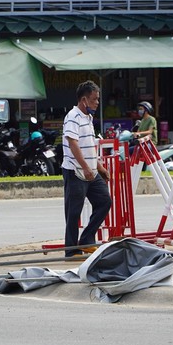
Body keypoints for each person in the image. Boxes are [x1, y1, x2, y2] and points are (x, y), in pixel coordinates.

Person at [61, 80, 112, 258]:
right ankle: (71, 250)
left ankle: (87, 239)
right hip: (75, 171)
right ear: (83, 100)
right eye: (94, 99)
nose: (97, 103)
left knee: (105, 201)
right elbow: (73, 143)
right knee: (74, 212)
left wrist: (99, 167)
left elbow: (89, 146)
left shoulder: (88, 118)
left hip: (91, 171)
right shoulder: (73, 116)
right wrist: (85, 167)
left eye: (97, 99)